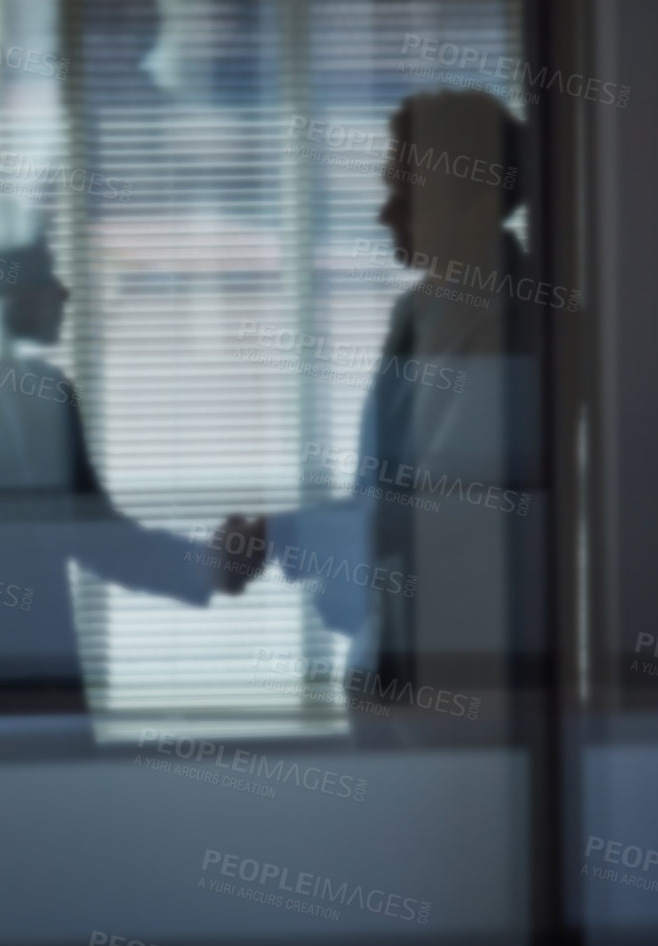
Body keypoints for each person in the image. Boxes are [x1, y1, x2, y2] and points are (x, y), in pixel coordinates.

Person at [219, 89, 544, 742]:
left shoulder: (516, 329)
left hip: (465, 676)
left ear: (479, 206)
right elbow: (383, 493)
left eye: (409, 194)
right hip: (393, 652)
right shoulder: (418, 313)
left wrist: (275, 537)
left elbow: (444, 511)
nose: (383, 213)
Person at [0, 222, 249, 723]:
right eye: (44, 273)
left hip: (50, 707)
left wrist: (208, 566)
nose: (64, 290)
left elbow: (100, 538)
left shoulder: (50, 393)